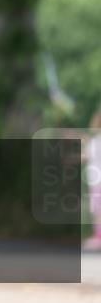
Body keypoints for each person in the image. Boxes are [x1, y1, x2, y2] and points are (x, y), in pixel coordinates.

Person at [85, 106, 101, 251]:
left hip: (97, 181)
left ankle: (98, 236)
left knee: (97, 210)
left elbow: (86, 156)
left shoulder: (95, 140)